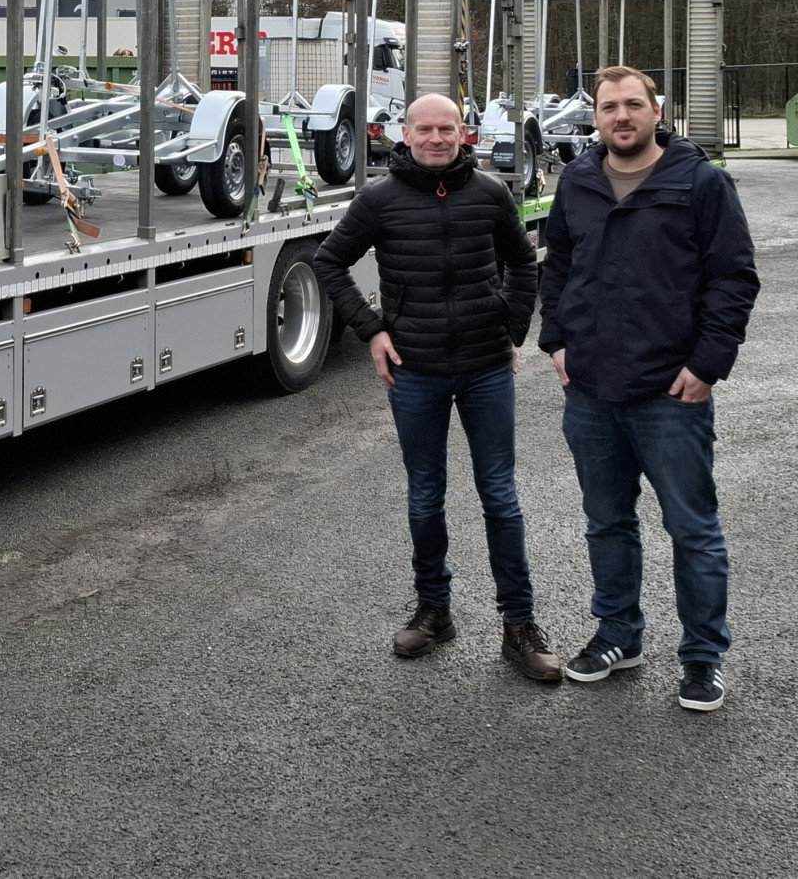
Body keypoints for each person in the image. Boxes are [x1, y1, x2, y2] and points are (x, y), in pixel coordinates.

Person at [314, 94, 559, 680]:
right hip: (415, 368)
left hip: (485, 368)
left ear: (463, 133)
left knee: (500, 495)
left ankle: (519, 624)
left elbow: (524, 263)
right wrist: (372, 330)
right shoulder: (379, 199)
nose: (436, 139)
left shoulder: (490, 193)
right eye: (424, 129)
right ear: (405, 134)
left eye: (447, 128)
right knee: (425, 494)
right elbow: (329, 262)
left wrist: (511, 328)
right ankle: (434, 610)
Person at [540, 66, 758, 711]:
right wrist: (556, 339)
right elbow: (558, 265)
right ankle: (619, 635)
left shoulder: (700, 183)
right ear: (596, 118)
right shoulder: (577, 182)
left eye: (634, 104)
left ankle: (702, 658)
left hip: (671, 392)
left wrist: (708, 364)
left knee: (692, 529)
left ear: (657, 112)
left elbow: (733, 278)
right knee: (607, 522)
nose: (622, 116)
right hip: (591, 391)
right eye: (609, 107)